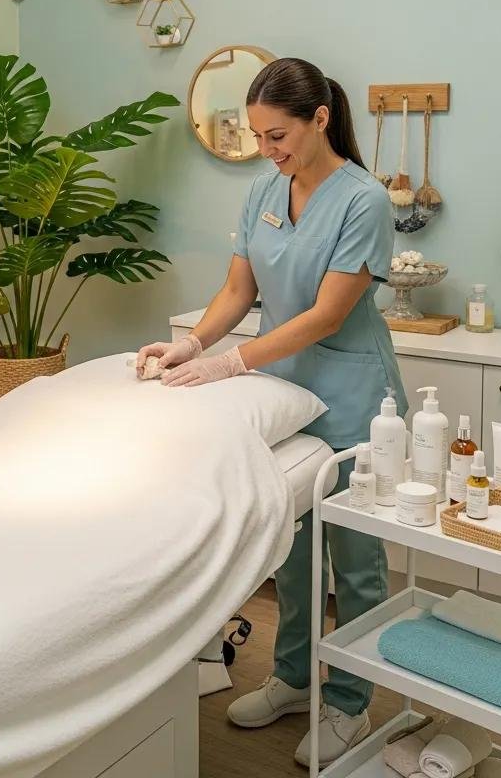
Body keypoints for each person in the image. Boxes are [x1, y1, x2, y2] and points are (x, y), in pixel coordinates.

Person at [136, 57, 406, 768]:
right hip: (281, 398)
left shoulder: (363, 200)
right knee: (287, 552)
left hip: (351, 397)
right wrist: (189, 342)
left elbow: (326, 314)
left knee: (354, 563)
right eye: (259, 136)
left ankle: (350, 703)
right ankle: (291, 677)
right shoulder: (263, 189)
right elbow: (236, 290)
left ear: (320, 119)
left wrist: (229, 363)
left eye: (278, 135)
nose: (268, 150)